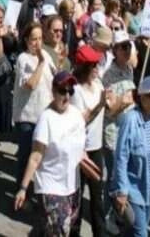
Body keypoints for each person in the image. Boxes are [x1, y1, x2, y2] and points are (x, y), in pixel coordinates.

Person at [15, 71, 102, 237]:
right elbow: (35, 156)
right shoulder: (46, 119)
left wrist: (83, 157)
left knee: (57, 230)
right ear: (53, 91)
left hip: (72, 187)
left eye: (71, 91)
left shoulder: (76, 115)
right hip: (50, 187)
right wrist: (23, 188)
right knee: (59, 232)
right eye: (63, 91)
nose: (67, 96)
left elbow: (80, 143)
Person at [111, 76, 150, 237]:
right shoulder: (130, 120)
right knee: (141, 233)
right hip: (134, 189)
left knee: (133, 231)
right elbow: (121, 157)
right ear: (143, 97)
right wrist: (122, 191)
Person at [13, 22, 57, 188]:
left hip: (45, 115)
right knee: (25, 157)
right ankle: (21, 190)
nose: (37, 43)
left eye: (40, 39)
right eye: (33, 39)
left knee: (42, 157)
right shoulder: (23, 59)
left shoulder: (46, 54)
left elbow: (55, 76)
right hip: (27, 117)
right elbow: (30, 84)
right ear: (26, 40)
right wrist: (39, 64)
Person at [71, 45, 106, 237]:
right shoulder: (76, 90)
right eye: (93, 64)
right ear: (85, 67)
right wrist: (100, 104)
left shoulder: (99, 84)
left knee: (97, 200)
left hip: (96, 149)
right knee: (77, 198)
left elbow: (108, 111)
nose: (97, 68)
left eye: (98, 64)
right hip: (80, 151)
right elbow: (82, 119)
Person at [0, 5, 17, 139]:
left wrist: (13, 36)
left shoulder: (7, 28)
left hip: (6, 74)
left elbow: (14, 48)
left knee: (3, 103)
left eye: (1, 17)